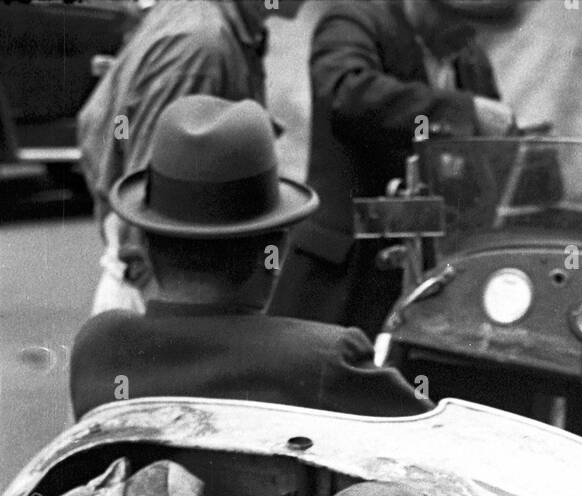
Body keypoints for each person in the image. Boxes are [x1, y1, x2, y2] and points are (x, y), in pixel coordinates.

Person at [70, 96, 431, 421]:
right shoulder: (325, 360)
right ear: (274, 253)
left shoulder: (98, 348)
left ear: (146, 246)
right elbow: (437, 446)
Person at [269, 0, 514, 338]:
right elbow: (345, 94)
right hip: (344, 264)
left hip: (423, 266)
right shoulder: (357, 20)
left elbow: (487, 143)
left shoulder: (468, 57)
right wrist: (460, 111)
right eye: (454, 19)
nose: (467, 35)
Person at [77, 0, 303, 314]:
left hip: (172, 294)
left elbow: (99, 126)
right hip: (166, 298)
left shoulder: (209, 24)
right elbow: (151, 201)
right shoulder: (202, 46)